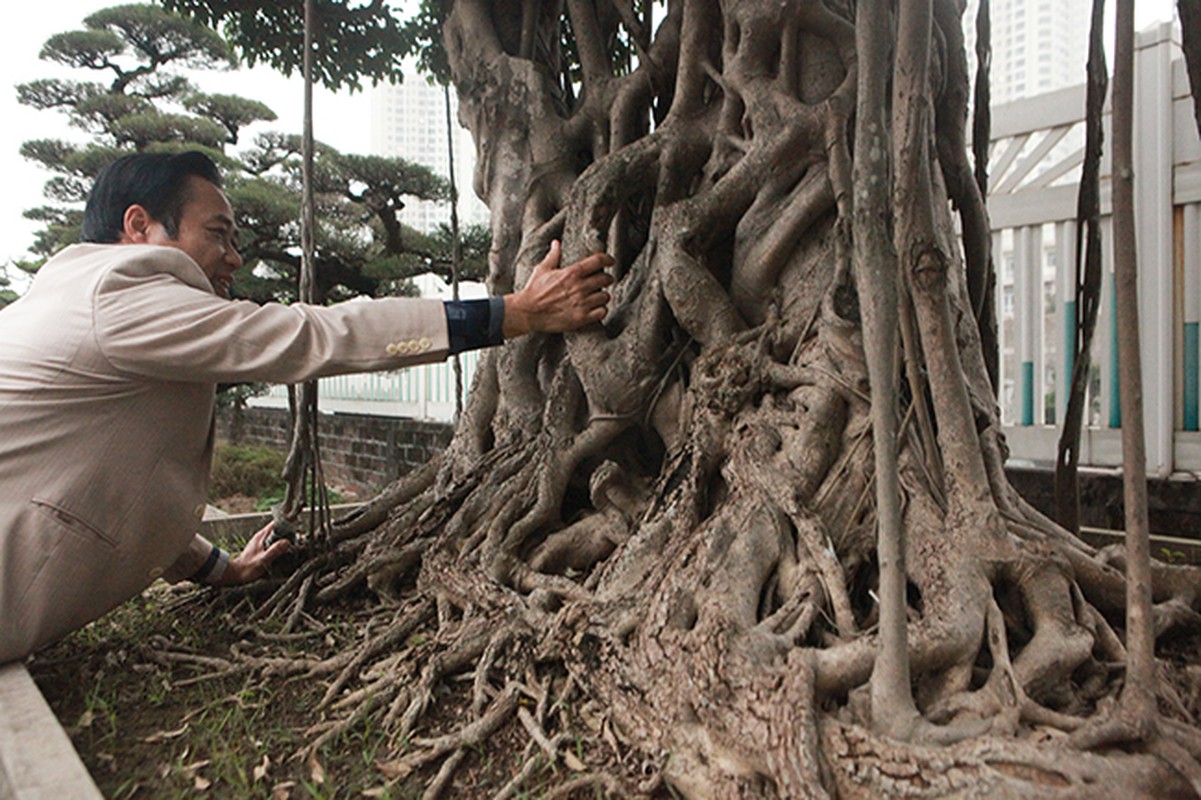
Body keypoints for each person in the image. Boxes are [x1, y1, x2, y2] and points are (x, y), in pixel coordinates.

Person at [0, 151, 613, 663]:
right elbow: (311, 335)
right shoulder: (117, 289)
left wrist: (222, 568)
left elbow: (105, 483)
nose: (235, 259)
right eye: (217, 234)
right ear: (140, 227)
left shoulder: (76, 295)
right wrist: (515, 314)